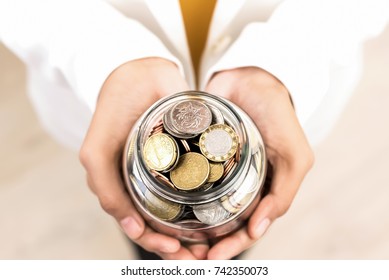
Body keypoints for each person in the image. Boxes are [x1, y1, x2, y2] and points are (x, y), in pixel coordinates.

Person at [0, 0, 388, 260]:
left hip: (285, 91)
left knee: (233, 236)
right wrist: (102, 52)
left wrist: (283, 58)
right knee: (155, 242)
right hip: (103, 104)